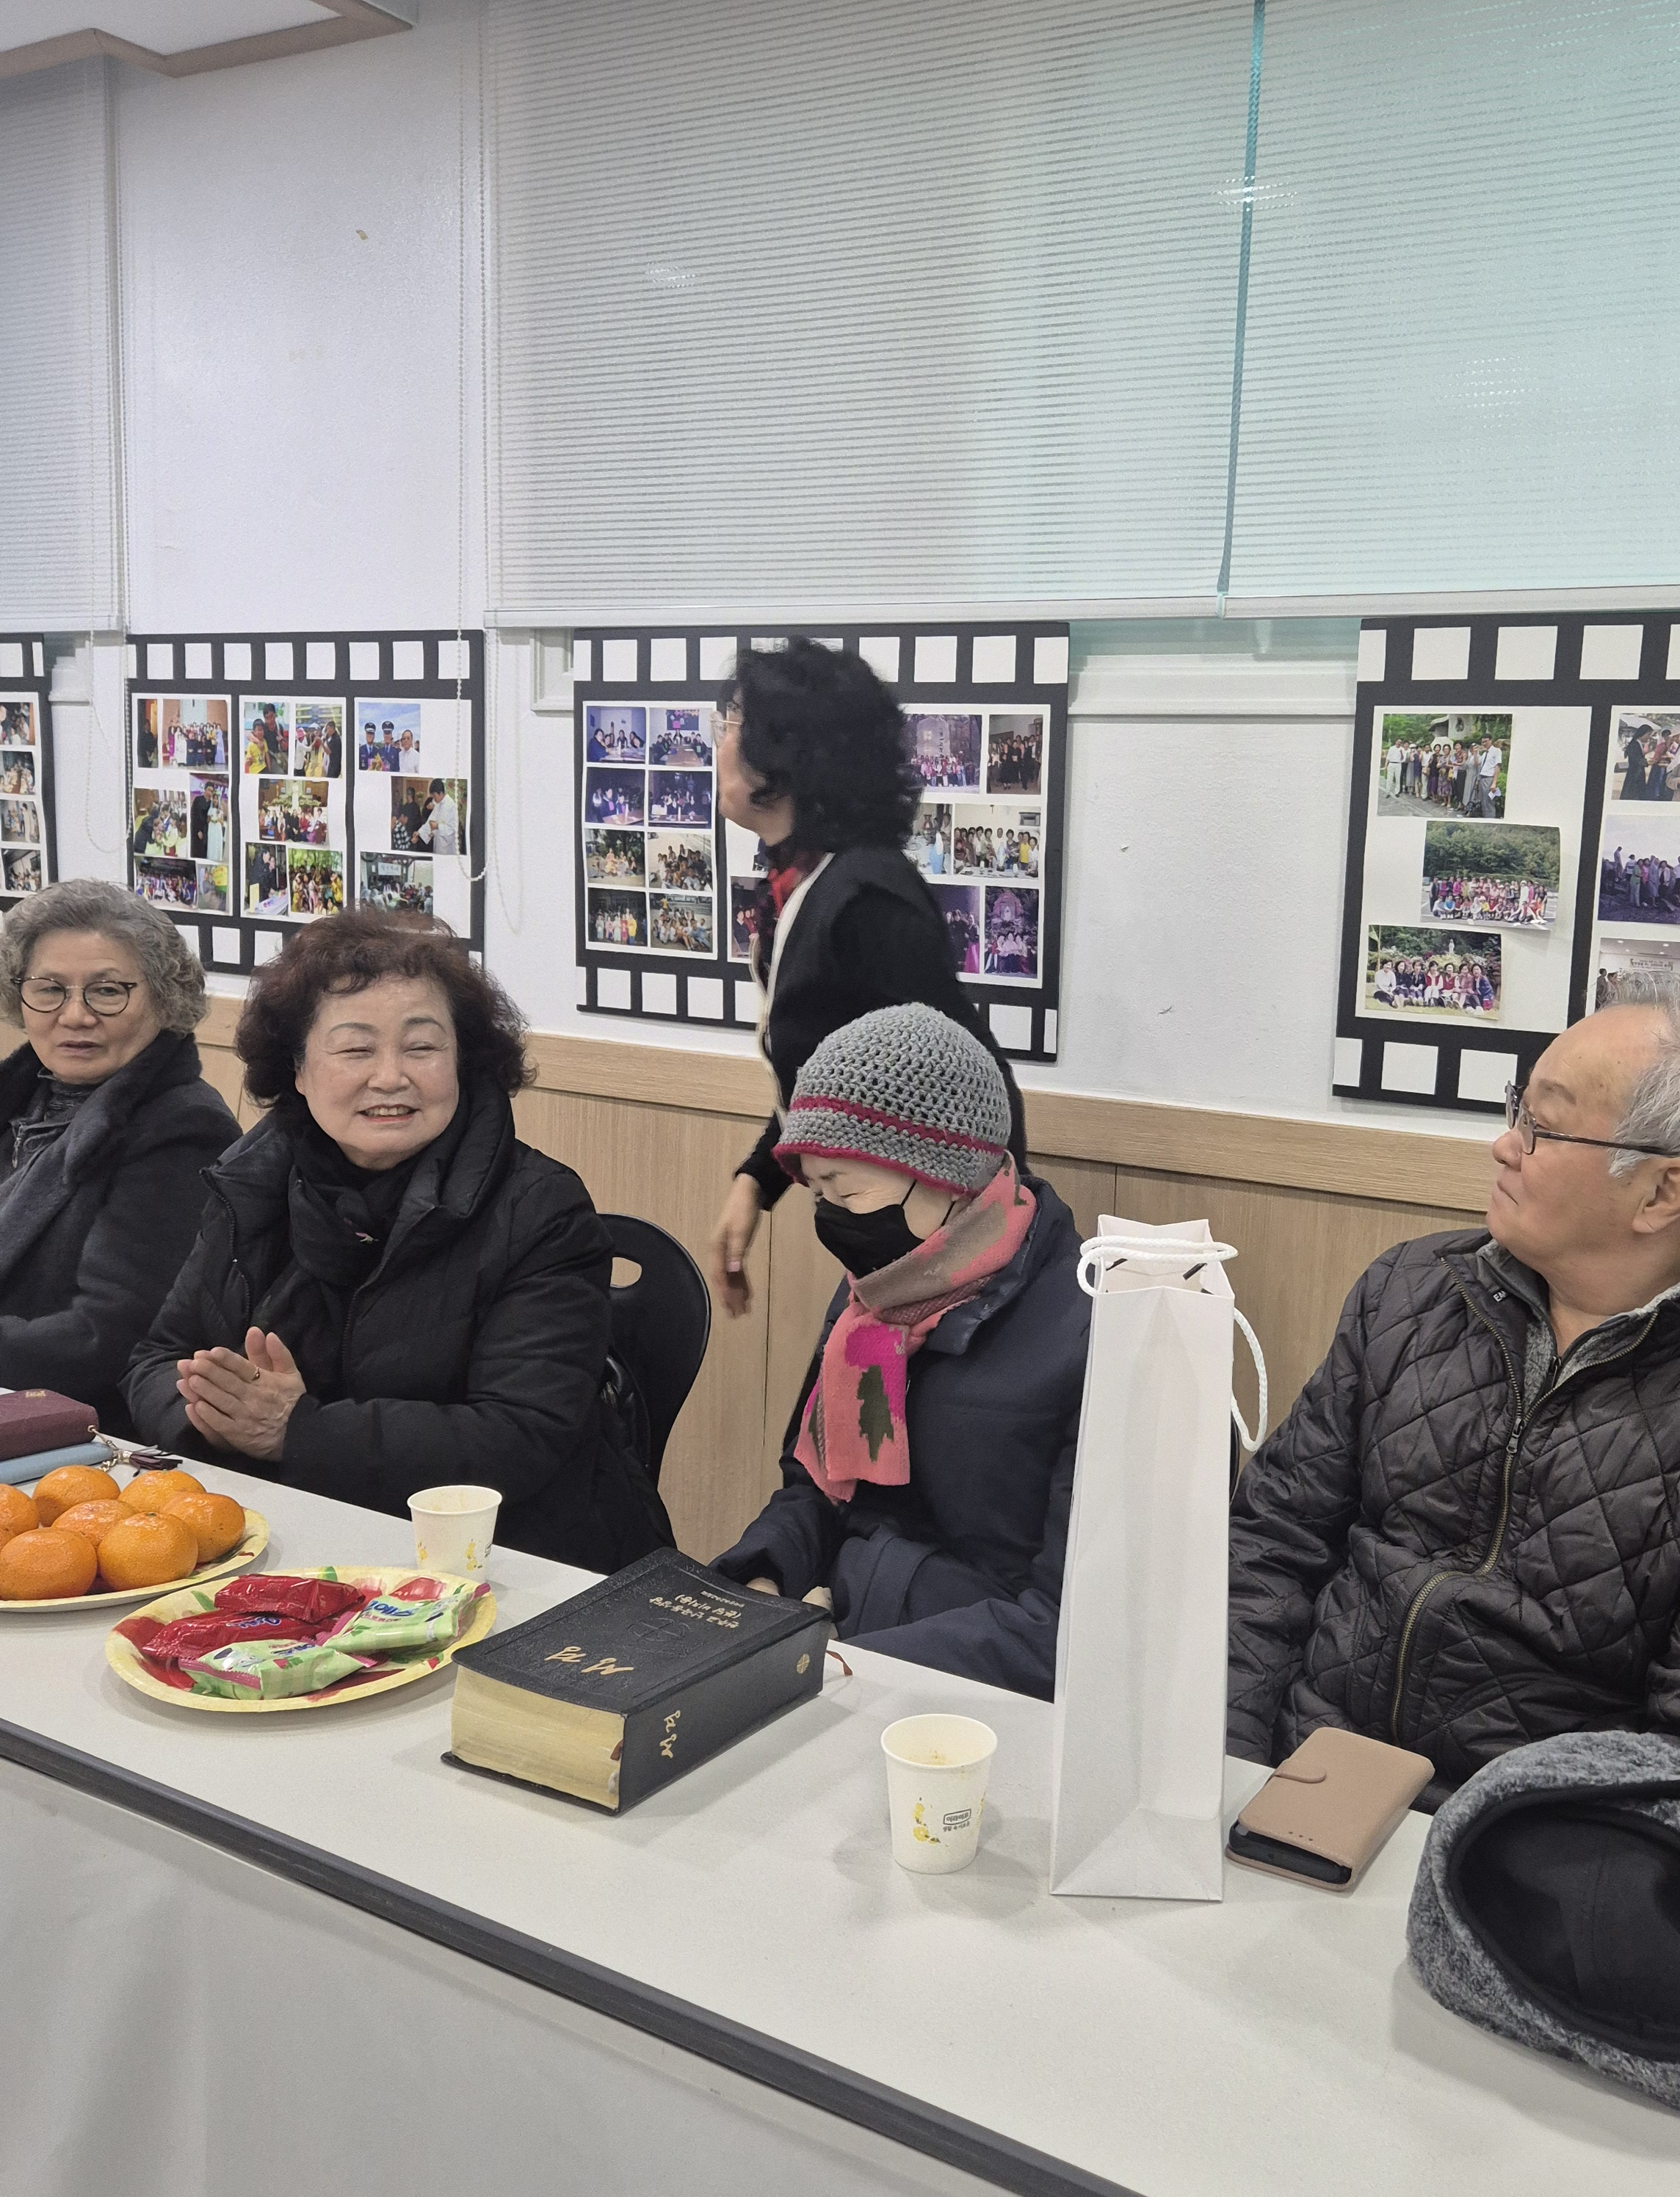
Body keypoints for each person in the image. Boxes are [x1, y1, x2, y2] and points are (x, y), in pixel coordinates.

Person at [1227, 974, 1680, 1815]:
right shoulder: (1408, 1291)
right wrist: (1229, 1773)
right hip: (1296, 1785)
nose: (1503, 1145)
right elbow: (1269, 1545)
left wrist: (1467, 1864)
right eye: (1518, 1109)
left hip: (1521, 1854)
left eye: (1541, 1127)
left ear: (1662, 1192)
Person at [125, 913, 672, 1571]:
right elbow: (157, 1358)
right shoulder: (252, 1181)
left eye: (422, 1048)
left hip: (508, 1559)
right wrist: (218, 1418)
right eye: (356, 1050)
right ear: (298, 1069)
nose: (390, 1077)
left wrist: (298, 1432)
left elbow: (520, 1436)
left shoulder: (541, 1209)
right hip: (286, 1537)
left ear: (463, 1061)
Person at [713, 1006, 1087, 1697]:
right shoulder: (877, 1294)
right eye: (817, 1192)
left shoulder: (1088, 1329)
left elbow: (1067, 1630)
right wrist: (761, 1580)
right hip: (850, 1656)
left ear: (950, 1177)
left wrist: (845, 1666)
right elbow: (818, 1493)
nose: (832, 1218)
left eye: (848, 1190)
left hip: (968, 1706)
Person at [707, 638, 1025, 1316]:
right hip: (887, 1229)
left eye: (732, 723)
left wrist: (982, 1275)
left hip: (936, 1248)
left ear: (784, 751)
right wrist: (756, 1180)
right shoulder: (806, 883)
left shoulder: (865, 897)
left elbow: (972, 1077)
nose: (720, 743)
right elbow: (837, 1078)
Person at [0, 882, 239, 1430]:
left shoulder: (184, 1129)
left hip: (78, 1434)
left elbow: (106, 1338)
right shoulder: (24, 1098)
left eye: (107, 992)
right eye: (49, 989)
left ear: (164, 998)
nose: (75, 1015)